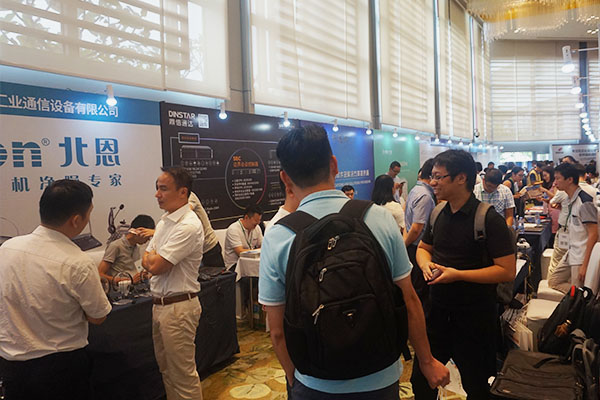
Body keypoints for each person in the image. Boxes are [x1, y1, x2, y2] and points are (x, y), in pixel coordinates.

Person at [259, 124, 449, 398]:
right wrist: (427, 362)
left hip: (315, 381)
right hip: (380, 374)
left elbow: (276, 330)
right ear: (334, 165)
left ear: (285, 178)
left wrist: (293, 378)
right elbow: (409, 300)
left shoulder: (279, 235)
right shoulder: (379, 218)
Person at [411, 149, 516, 399]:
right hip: (437, 314)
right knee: (421, 382)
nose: (433, 182)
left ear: (461, 178)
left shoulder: (488, 219)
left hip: (475, 320)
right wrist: (425, 264)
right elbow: (424, 248)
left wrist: (458, 275)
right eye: (432, 176)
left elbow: (506, 271)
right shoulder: (438, 213)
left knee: (478, 386)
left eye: (439, 177)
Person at [0, 180, 112, 399]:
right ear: (76, 220)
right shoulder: (77, 262)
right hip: (60, 367)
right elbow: (98, 316)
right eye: (88, 214)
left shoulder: (7, 248)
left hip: (12, 365)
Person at [141, 167, 205, 399]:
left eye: (163, 189)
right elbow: (145, 259)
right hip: (160, 305)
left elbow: (156, 265)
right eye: (157, 188)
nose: (157, 194)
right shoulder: (164, 221)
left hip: (178, 308)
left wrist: (152, 259)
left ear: (182, 192)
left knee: (183, 376)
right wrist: (152, 259)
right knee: (166, 371)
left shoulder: (188, 225)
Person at [548, 163, 598, 294]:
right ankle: (578, 296)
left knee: (578, 292)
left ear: (570, 179)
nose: (555, 183)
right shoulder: (570, 199)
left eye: (558, 178)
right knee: (553, 281)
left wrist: (585, 265)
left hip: (581, 256)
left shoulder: (584, 201)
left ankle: (580, 299)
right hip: (571, 251)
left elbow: (594, 234)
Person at [404, 158, 436, 313]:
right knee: (420, 290)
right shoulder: (425, 196)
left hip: (413, 245)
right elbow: (416, 228)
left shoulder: (416, 189)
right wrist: (404, 246)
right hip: (418, 248)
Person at [98, 214, 155, 284]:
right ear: (138, 232)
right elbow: (100, 274)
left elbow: (135, 270)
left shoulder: (136, 248)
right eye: (147, 236)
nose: (148, 239)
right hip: (122, 288)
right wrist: (127, 281)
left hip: (135, 286)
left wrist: (141, 276)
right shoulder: (116, 246)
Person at [188, 191, 225, 268]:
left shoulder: (189, 196)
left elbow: (186, 212)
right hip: (193, 251)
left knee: (218, 275)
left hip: (209, 248)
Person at [224, 204, 263, 271]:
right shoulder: (233, 229)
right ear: (246, 217)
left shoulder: (257, 227)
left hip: (251, 262)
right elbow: (240, 252)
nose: (258, 223)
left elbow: (263, 245)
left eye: (259, 220)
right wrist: (258, 251)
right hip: (235, 265)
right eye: (256, 220)